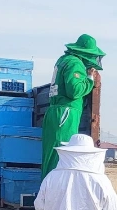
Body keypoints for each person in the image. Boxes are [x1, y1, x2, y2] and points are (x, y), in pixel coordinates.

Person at [41, 34, 105, 178]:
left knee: (50, 155)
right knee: (62, 154)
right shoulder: (75, 63)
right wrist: (89, 79)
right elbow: (74, 90)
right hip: (66, 112)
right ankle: (54, 194)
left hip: (55, 111)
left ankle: (46, 192)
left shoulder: (63, 60)